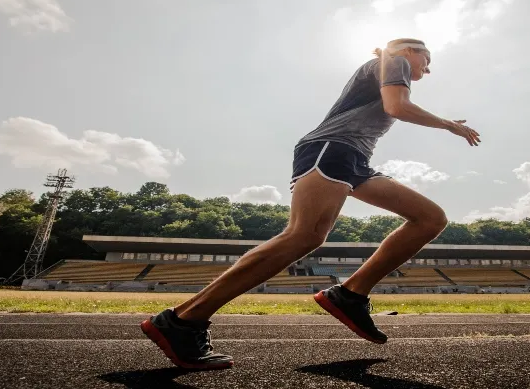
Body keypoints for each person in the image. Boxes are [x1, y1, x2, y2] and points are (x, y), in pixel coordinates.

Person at [140, 38, 481, 369]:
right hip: (331, 147)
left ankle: (350, 295)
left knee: (429, 218)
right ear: (411, 49)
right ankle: (183, 320)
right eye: (428, 60)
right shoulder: (397, 59)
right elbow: (397, 107)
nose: (428, 69)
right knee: (304, 236)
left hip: (355, 158)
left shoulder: (392, 62)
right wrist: (449, 124)